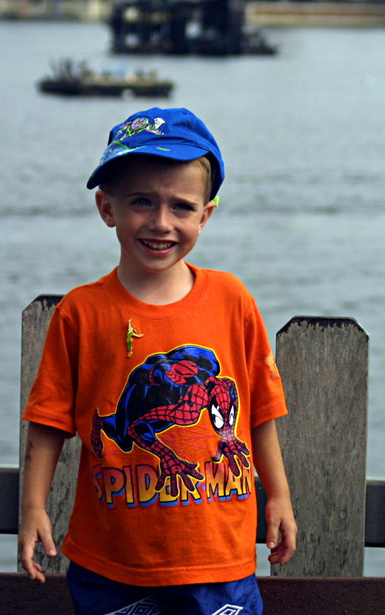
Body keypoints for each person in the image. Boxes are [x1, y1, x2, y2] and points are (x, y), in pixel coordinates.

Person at [19, 107, 296, 615]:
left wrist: (277, 494)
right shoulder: (80, 312)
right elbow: (48, 420)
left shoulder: (232, 300)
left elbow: (260, 409)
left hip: (218, 557)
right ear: (107, 208)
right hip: (112, 561)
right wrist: (33, 507)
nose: (161, 223)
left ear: (205, 216)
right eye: (142, 202)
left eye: (181, 207)